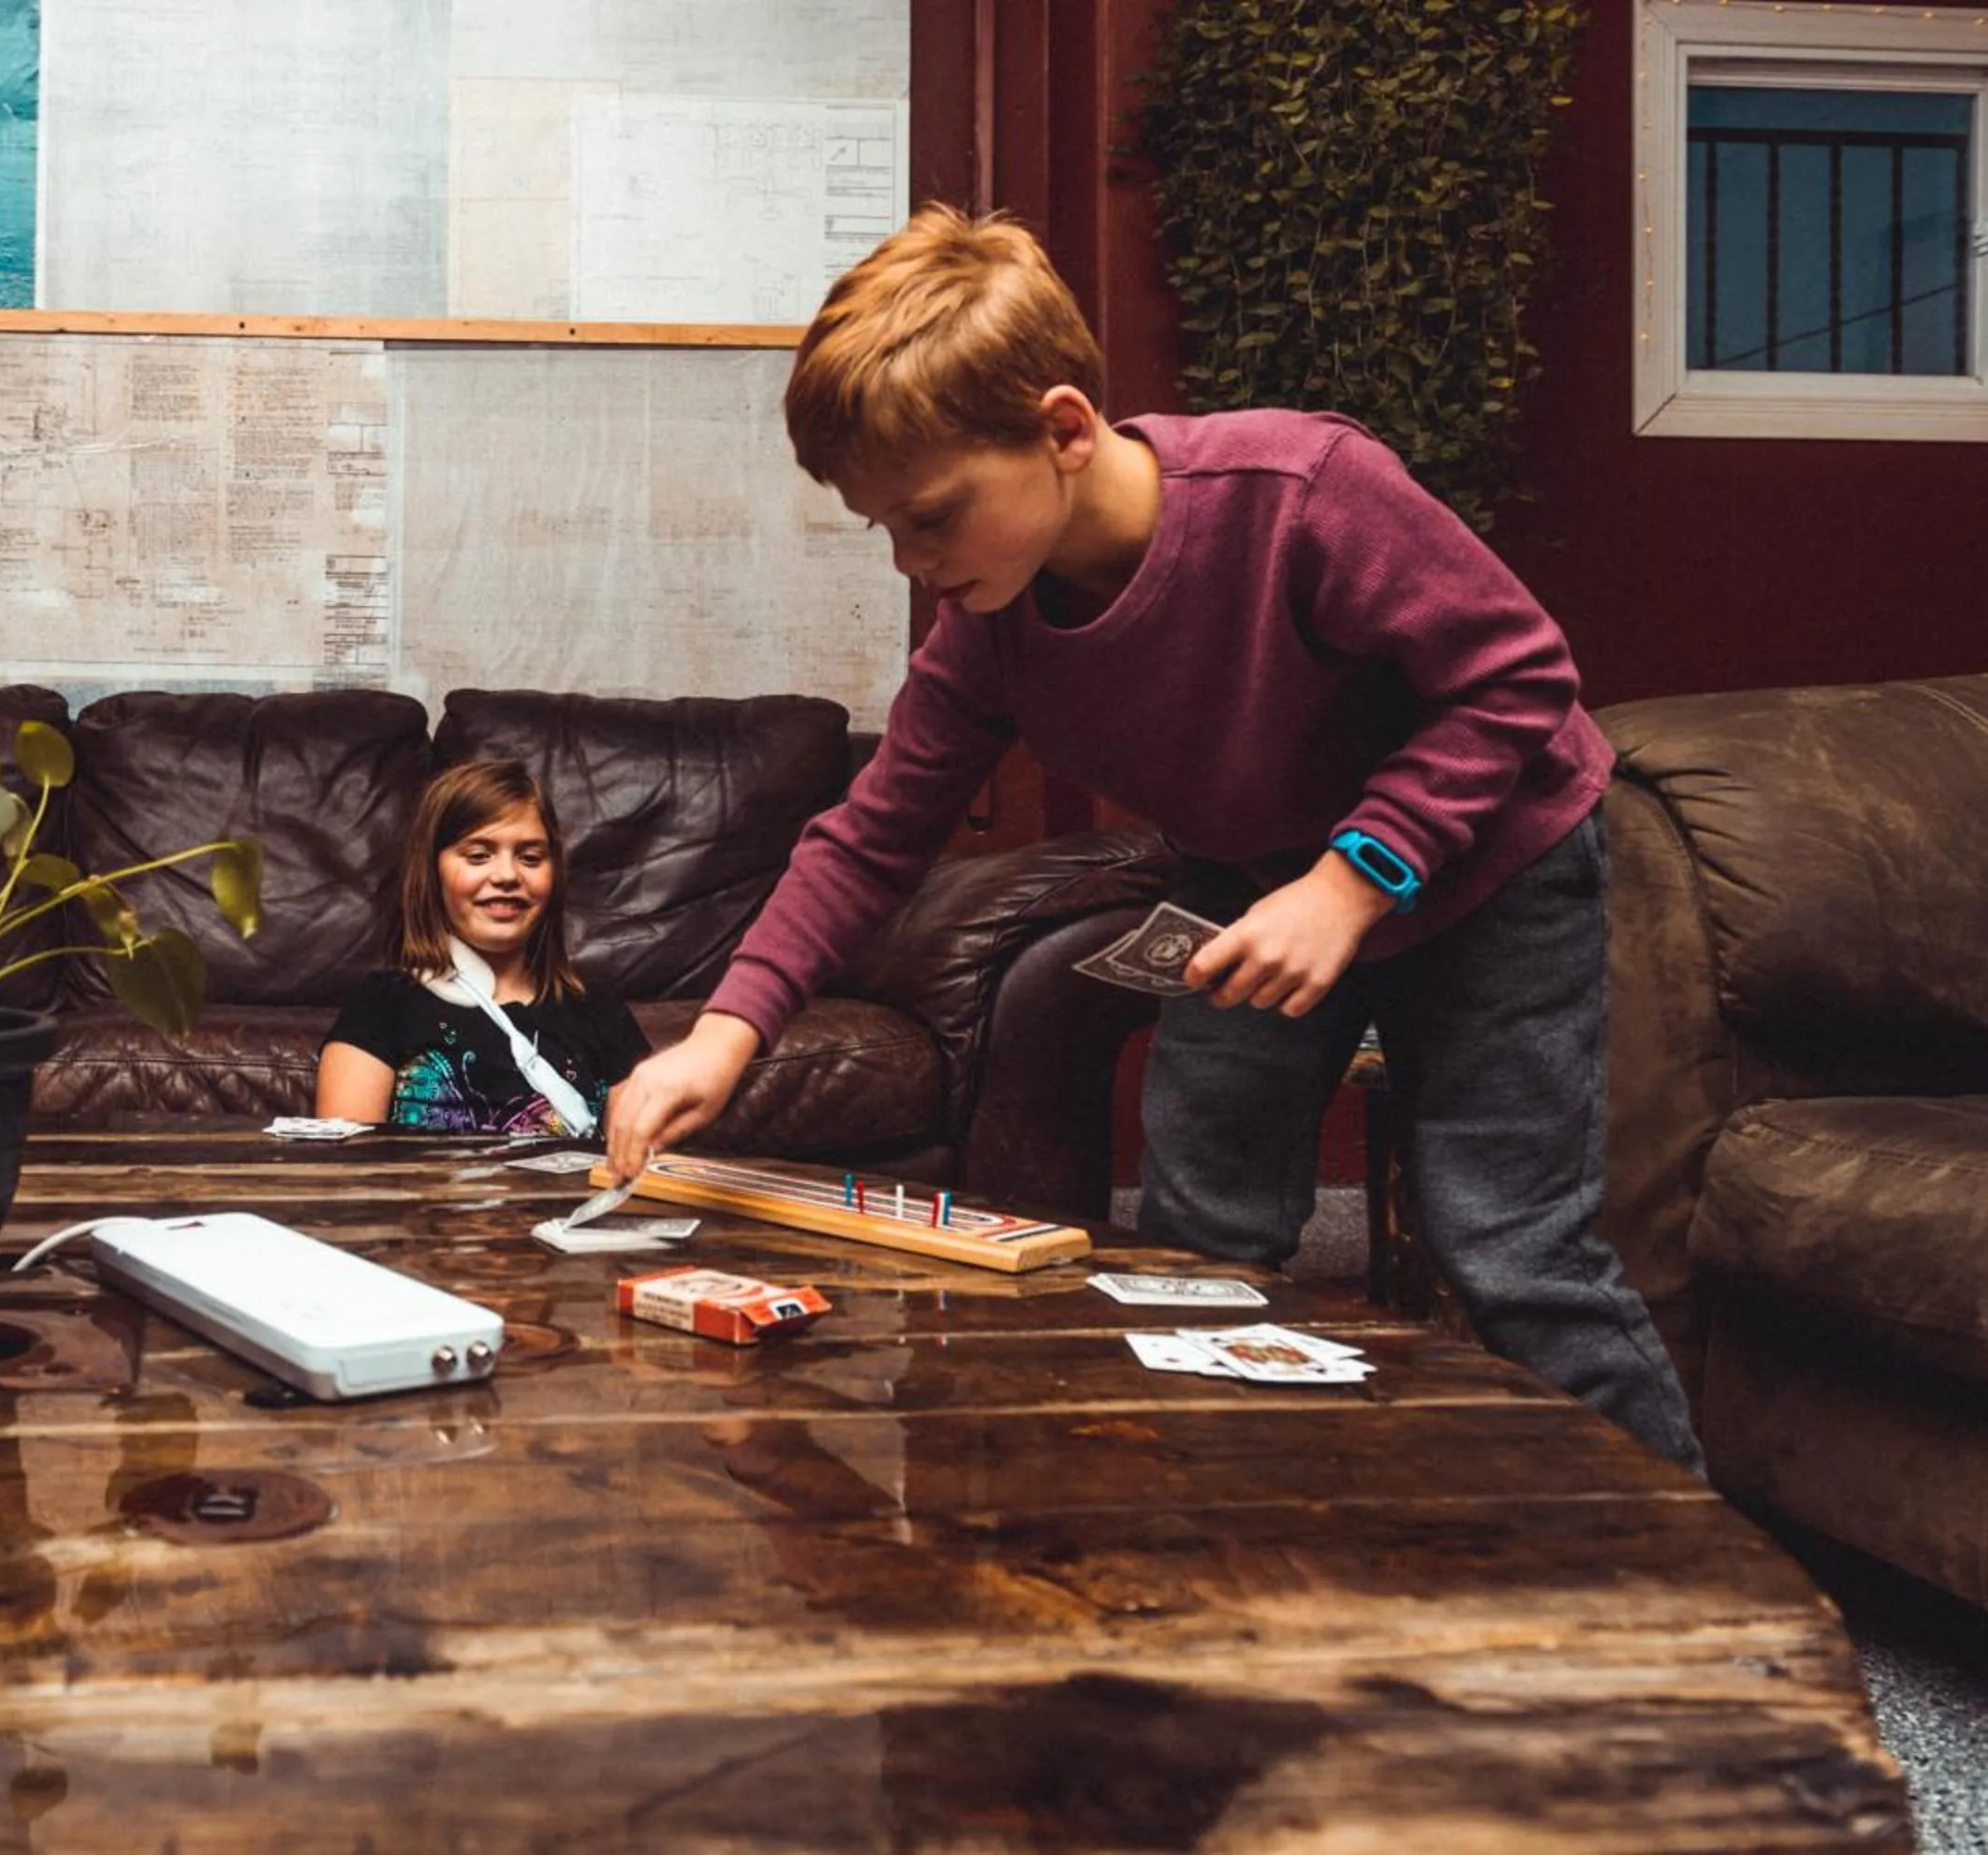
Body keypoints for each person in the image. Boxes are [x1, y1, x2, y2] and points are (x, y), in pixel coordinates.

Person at [603, 204, 1703, 1470]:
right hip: (1249, 886)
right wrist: (727, 1034)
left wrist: (1352, 883)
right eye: (884, 529)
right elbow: (869, 838)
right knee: (1192, 1244)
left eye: (935, 515)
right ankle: (1203, 1544)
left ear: (1064, 430)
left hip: (1491, 876)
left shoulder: (1303, 493)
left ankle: (1717, 1620)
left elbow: (1519, 680)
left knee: (1511, 1252)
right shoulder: (991, 631)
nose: (913, 560)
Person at [317, 759, 651, 1137]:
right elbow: (344, 1168)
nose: (507, 876)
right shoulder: (381, 1006)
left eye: (530, 857)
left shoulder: (601, 1012)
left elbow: (643, 1168)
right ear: (432, 873)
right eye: (478, 855)